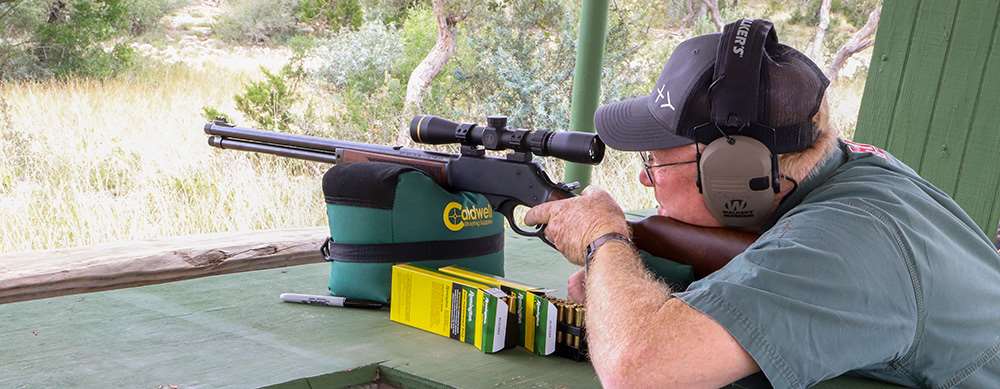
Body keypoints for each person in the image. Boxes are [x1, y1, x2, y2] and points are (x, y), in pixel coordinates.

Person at [526, 19, 1000, 388]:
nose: (644, 177)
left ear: (734, 175)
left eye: (655, 161)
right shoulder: (846, 172)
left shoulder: (842, 243)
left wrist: (602, 238)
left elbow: (637, 370)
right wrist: (635, 281)